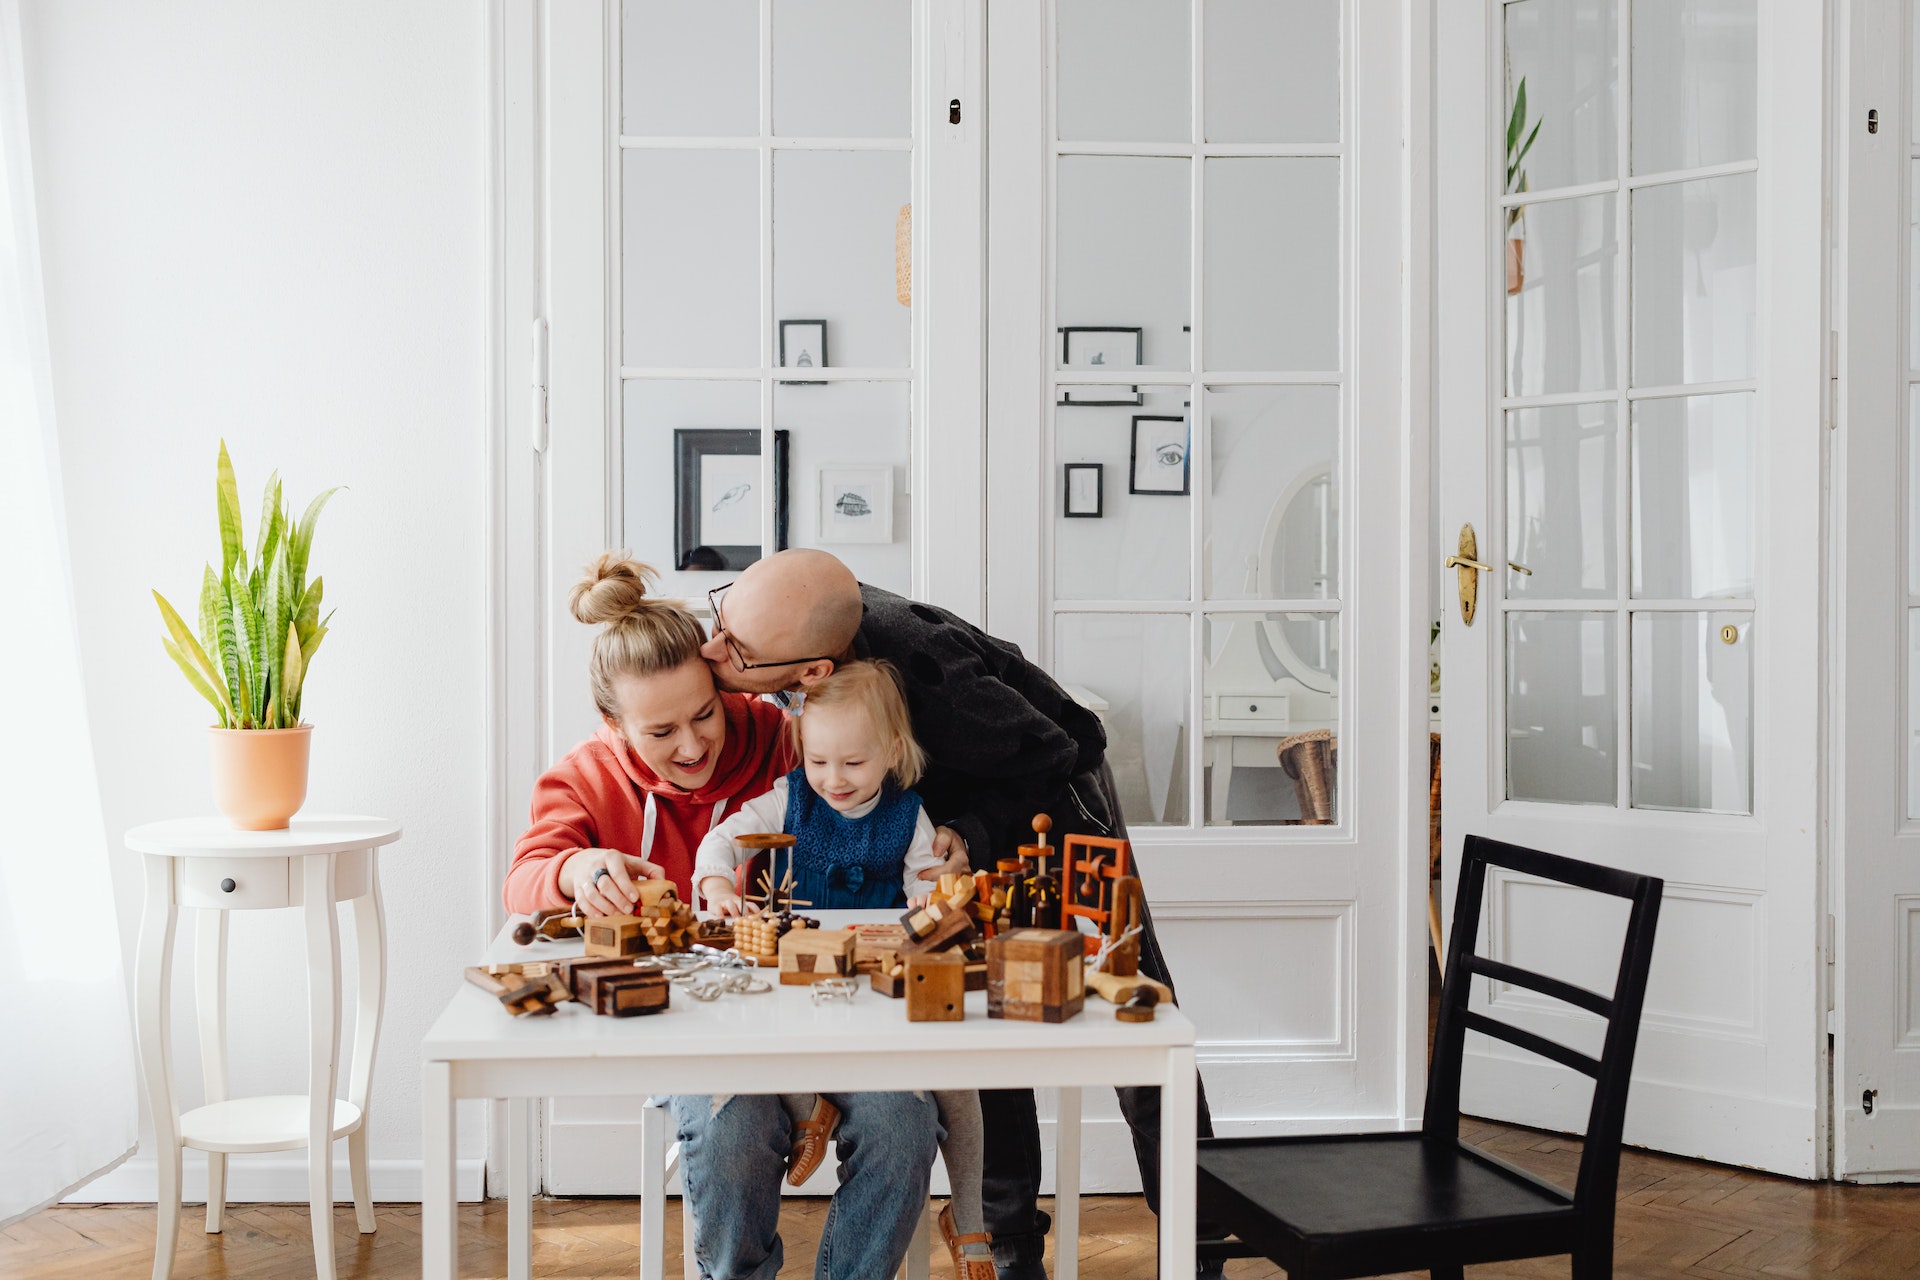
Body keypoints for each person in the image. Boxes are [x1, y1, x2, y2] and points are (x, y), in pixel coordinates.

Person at [698, 548, 1221, 1280]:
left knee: (1138, 1024)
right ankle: (1009, 1252)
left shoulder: (932, 678)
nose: (711, 648)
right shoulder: (791, 614)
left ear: (815, 670)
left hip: (1046, 796)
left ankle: (1201, 1247)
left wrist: (971, 836)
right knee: (986, 1024)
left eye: (735, 649)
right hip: (947, 808)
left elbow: (1068, 746)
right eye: (720, 619)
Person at [504, 554, 938, 1280]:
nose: (693, 744)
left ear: (720, 682)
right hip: (694, 1026)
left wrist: (943, 847)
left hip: (824, 1005)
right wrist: (578, 871)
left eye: (704, 713)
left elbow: (871, 774)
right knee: (736, 1122)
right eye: (661, 731)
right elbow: (525, 880)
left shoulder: (782, 742)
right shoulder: (584, 777)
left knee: (904, 1120)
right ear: (614, 724)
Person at [695, 661, 994, 1280]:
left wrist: (930, 898)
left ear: (891, 751)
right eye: (819, 760)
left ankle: (971, 1221)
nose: (833, 779)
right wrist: (718, 881)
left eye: (853, 764)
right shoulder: (788, 799)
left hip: (870, 995)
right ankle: (811, 1110)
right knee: (763, 1035)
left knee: (954, 1079)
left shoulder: (909, 815)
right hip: (799, 983)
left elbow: (924, 884)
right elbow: (721, 840)